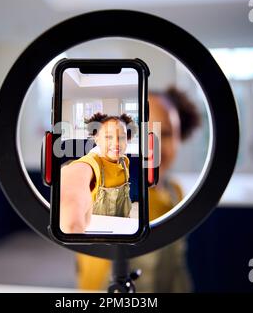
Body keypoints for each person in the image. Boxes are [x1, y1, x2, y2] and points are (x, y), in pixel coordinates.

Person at [76, 86, 201, 292]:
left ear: (181, 138)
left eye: (166, 133)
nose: (153, 145)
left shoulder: (175, 191)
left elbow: (177, 267)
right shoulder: (104, 186)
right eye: (142, 133)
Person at [60, 113, 138, 234]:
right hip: (98, 234)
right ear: (97, 139)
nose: (116, 143)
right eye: (108, 137)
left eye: (122, 137)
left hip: (123, 230)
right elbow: (79, 171)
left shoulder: (124, 161)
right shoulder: (93, 161)